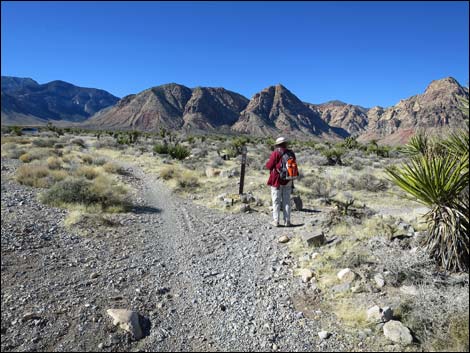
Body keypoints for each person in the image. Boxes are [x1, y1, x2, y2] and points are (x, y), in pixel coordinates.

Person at [265, 136, 295, 227]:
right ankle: (287, 221)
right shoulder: (291, 153)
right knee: (287, 201)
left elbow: (269, 166)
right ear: (286, 144)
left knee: (276, 201)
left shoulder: (276, 153)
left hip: (277, 181)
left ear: (277, 144)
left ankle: (276, 221)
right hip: (288, 180)